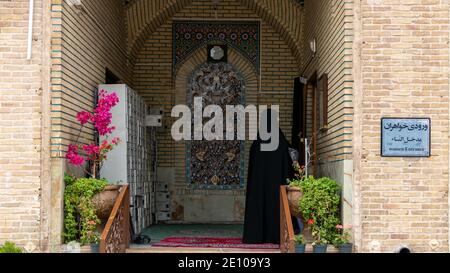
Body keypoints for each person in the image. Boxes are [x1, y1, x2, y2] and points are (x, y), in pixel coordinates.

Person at [242, 109, 295, 244]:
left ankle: (256, 236)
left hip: (260, 188)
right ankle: (276, 236)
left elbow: (253, 169)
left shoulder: (257, 144)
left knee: (260, 206)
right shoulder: (282, 143)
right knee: (276, 206)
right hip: (277, 186)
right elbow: (290, 161)